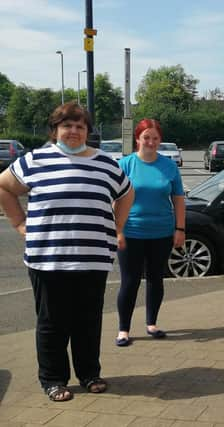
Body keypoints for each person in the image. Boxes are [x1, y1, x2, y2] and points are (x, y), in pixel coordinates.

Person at [0, 102, 134, 402]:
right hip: (47, 258)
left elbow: (127, 193)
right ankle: (53, 378)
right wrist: (19, 222)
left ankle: (89, 374)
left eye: (80, 126)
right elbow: (4, 187)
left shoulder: (106, 163)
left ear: (87, 131)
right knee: (52, 322)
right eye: (67, 126)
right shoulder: (34, 160)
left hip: (93, 258)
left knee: (88, 321)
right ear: (55, 130)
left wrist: (117, 226)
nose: (73, 131)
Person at [115, 119, 185, 346]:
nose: (151, 142)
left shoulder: (169, 166)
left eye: (155, 138)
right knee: (130, 281)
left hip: (162, 232)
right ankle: (123, 329)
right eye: (146, 137)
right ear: (138, 138)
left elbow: (178, 199)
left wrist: (180, 228)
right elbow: (114, 200)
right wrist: (117, 230)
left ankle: (151, 323)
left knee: (156, 279)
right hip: (131, 232)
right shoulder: (125, 165)